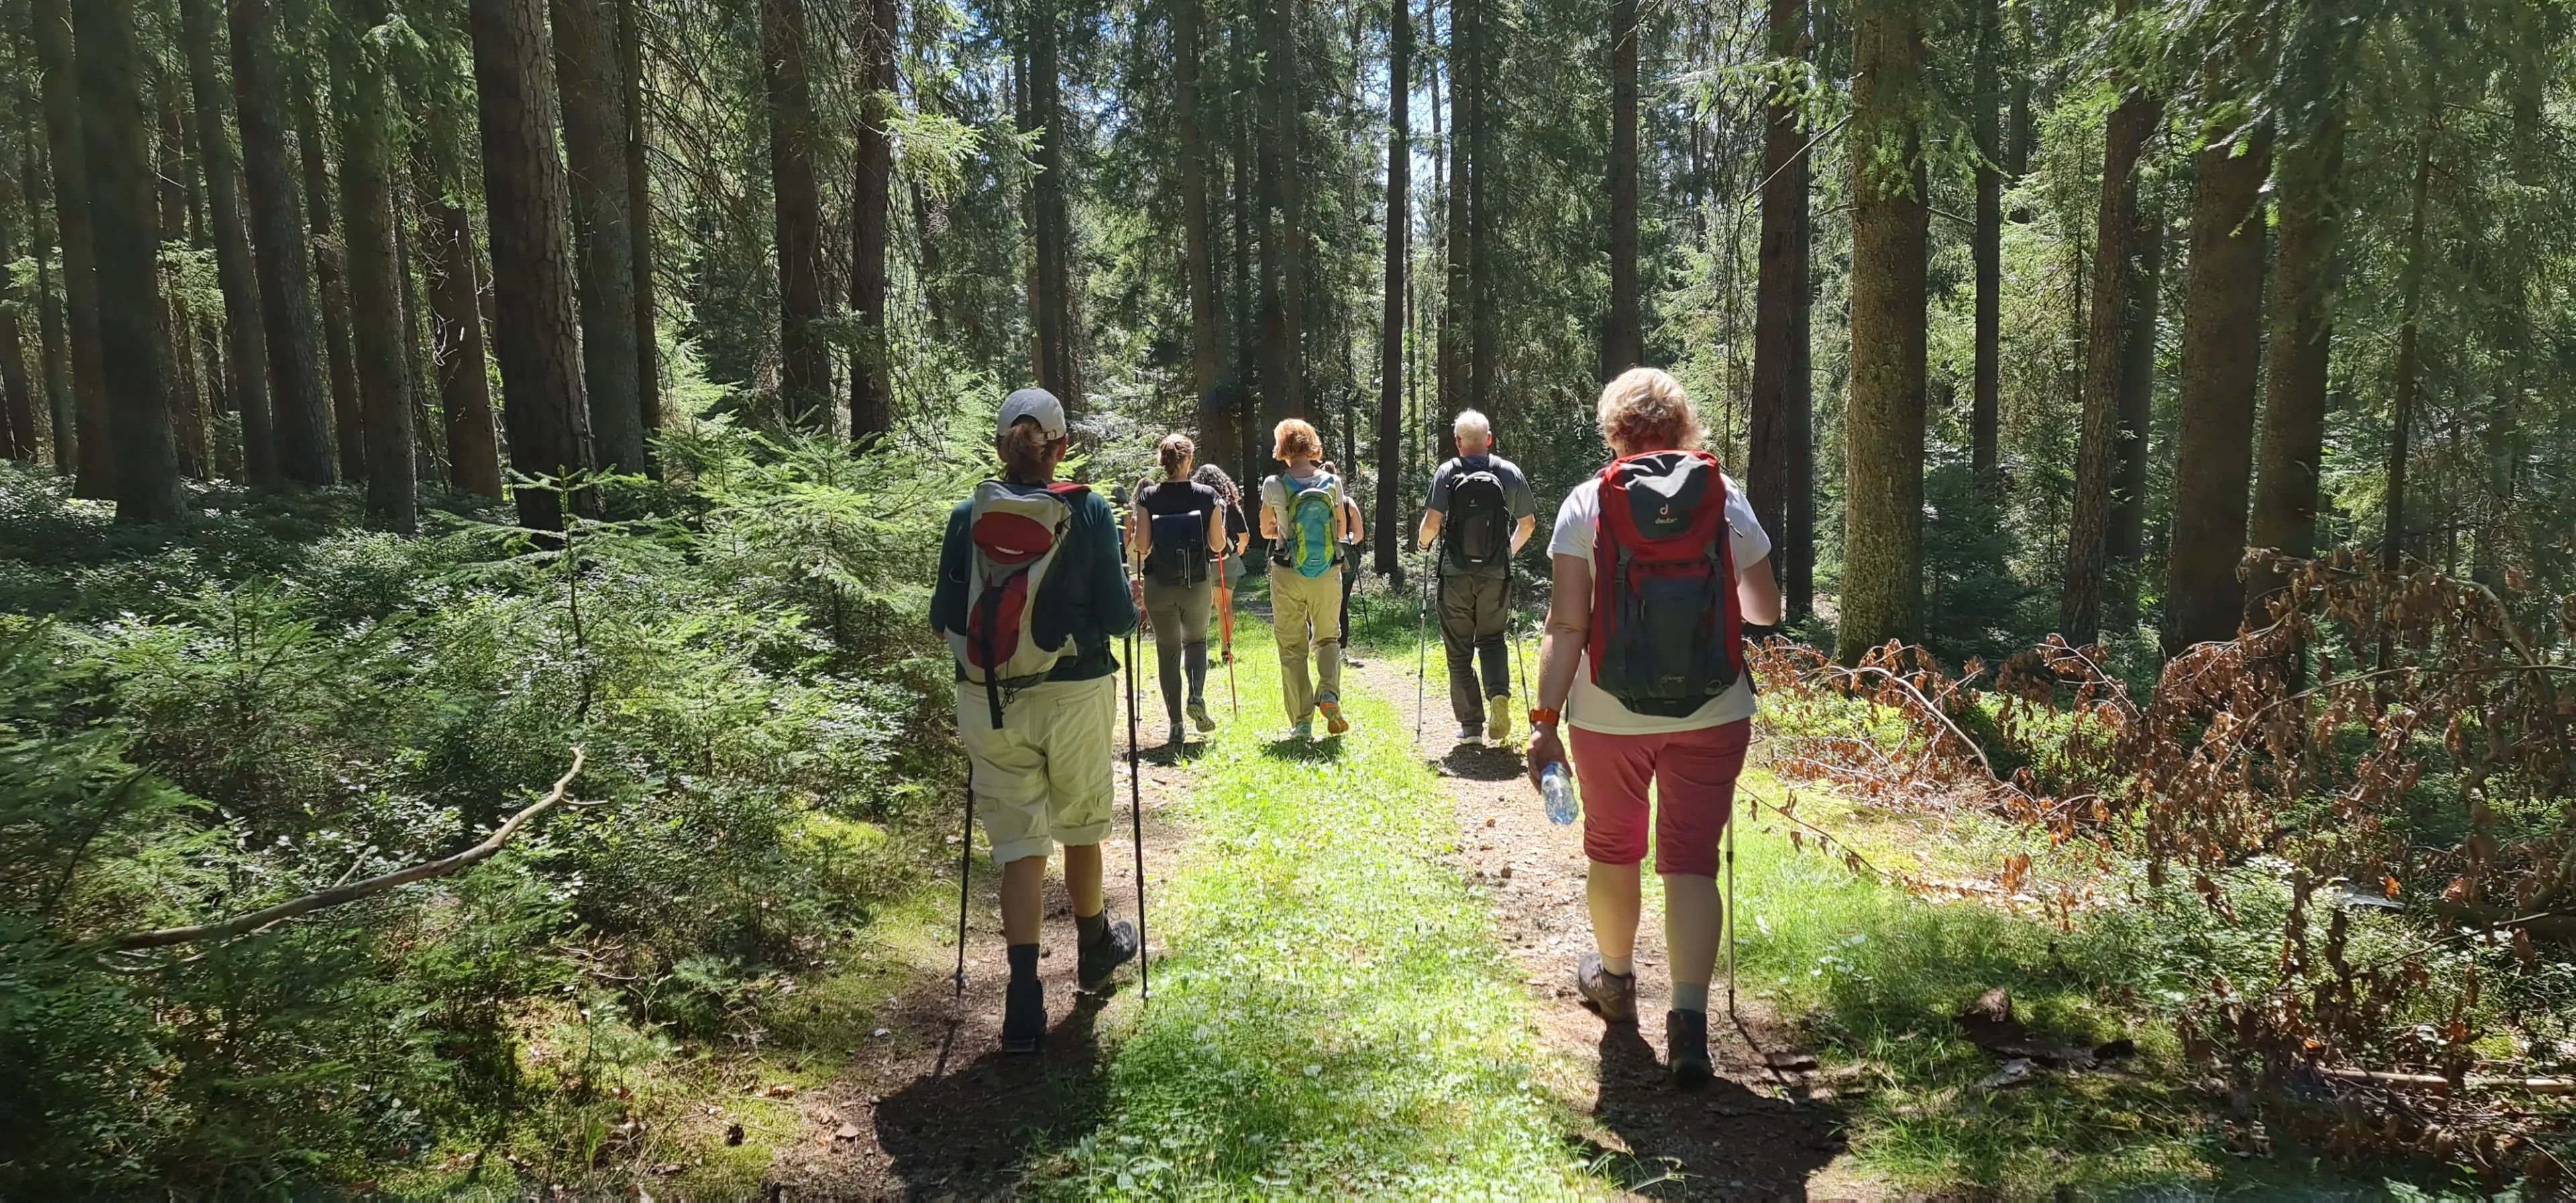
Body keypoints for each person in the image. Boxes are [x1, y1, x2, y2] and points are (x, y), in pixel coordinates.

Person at [1521, 368, 1784, 1085]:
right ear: (1685, 425)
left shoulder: (1588, 502)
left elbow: (1567, 623)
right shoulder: (1723, 497)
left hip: (1610, 712)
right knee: (1691, 856)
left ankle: (1615, 983)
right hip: (1716, 706)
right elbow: (1765, 609)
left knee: (1613, 847)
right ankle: (1690, 1023)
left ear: (1614, 430)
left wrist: (1545, 723)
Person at [930, 388, 1142, 1054]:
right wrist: (1131, 600)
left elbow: (944, 614)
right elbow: (1117, 619)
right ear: (1062, 446)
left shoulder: (969, 514)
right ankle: (1093, 945)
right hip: (1075, 693)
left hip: (988, 697)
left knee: (1020, 844)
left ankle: (1023, 1002)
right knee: (1081, 824)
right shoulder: (1089, 510)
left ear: (1000, 445)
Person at [1417, 409, 1538, 743]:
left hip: (1455, 575)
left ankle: (1471, 728)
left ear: (1458, 443)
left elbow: (1431, 525)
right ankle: (1499, 695)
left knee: (1459, 651)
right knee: (1492, 639)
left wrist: (1423, 543)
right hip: (1496, 577)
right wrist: (1505, 553)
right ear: (1489, 440)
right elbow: (1527, 526)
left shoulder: (1447, 472)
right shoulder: (1509, 473)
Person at [1129, 435, 1230, 746]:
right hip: (1196, 583)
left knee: (1168, 651)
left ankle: (1175, 725)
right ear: (1189, 460)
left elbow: (1142, 546)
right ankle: (1196, 695)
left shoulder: (1148, 497)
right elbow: (1217, 545)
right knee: (1196, 641)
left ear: (1164, 462)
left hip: (1159, 585)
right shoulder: (1207, 495)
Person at [1259, 419, 1349, 739]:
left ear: (1282, 448)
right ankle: (1328, 695)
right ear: (1312, 445)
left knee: (1292, 646)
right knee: (1327, 638)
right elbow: (1341, 529)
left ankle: (1302, 721)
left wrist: (1284, 531)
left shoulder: (1274, 484)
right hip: (1327, 571)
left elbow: (1264, 529)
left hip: (1288, 572)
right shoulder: (1331, 482)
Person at [1192, 463, 1252, 666]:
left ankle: (1200, 649)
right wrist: (1240, 549)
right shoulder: (1227, 500)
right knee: (1225, 606)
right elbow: (1244, 535)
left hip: (1199, 560)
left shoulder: (1194, 498)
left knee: (1202, 606)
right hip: (1225, 557)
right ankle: (1226, 650)